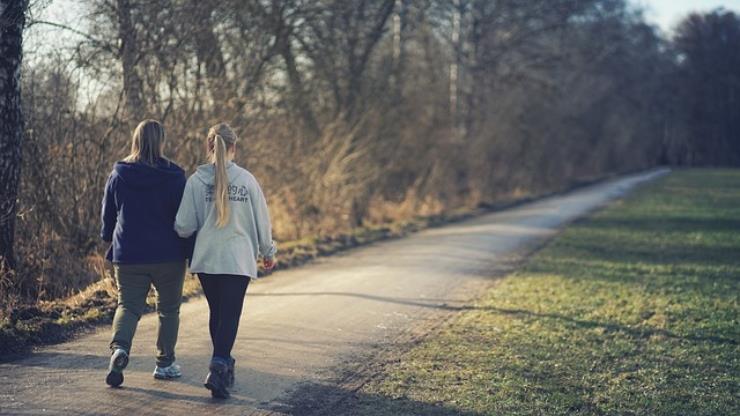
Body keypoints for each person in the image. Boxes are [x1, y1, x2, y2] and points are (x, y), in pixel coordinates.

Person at [175, 122, 276, 399]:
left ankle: (223, 364)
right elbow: (262, 222)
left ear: (209, 146)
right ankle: (219, 365)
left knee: (218, 314)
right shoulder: (246, 180)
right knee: (230, 315)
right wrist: (269, 252)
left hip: (207, 259)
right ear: (233, 147)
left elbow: (183, 226)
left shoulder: (196, 182)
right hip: (237, 259)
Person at [101, 119, 190, 387]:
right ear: (161, 141)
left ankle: (120, 349)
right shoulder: (175, 176)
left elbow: (108, 214)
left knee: (128, 306)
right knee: (168, 310)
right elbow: (185, 218)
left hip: (129, 254)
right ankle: (164, 364)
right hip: (169, 255)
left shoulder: (119, 174)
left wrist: (107, 237)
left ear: (136, 139)